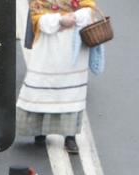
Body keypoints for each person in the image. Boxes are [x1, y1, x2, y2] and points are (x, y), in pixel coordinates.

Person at [18, 0, 99, 152]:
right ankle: (39, 131)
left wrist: (75, 17)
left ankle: (70, 136)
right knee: (43, 89)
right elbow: (37, 19)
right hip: (47, 48)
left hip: (73, 50)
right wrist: (60, 20)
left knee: (71, 94)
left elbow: (89, 9)